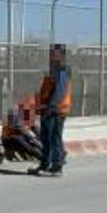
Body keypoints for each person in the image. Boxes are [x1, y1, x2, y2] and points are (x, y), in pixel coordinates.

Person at [30, 43, 71, 177]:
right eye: (51, 53)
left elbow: (59, 91)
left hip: (56, 111)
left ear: (62, 55)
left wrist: (50, 106)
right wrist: (39, 106)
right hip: (47, 110)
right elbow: (46, 91)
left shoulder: (62, 70)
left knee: (54, 139)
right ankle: (45, 164)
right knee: (46, 139)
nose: (52, 55)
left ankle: (57, 166)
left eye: (55, 53)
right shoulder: (52, 70)